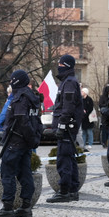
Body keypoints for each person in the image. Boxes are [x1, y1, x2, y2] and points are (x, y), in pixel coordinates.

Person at [0, 70, 41, 217]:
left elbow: (22, 120)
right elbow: (36, 121)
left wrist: (28, 137)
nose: (10, 82)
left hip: (16, 141)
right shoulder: (32, 97)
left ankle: (8, 206)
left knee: (7, 171)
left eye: (12, 80)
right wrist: (32, 139)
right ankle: (26, 206)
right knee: (24, 172)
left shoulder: (21, 97)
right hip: (24, 142)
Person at [46, 54, 83, 203]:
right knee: (69, 157)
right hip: (68, 125)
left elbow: (67, 108)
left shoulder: (69, 83)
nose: (58, 66)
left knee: (64, 159)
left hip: (67, 127)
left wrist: (61, 125)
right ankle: (73, 189)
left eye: (60, 64)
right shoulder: (68, 81)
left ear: (66, 66)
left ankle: (64, 191)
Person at [98, 84, 109, 148]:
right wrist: (106, 106)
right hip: (104, 116)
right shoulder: (102, 97)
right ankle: (104, 142)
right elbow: (101, 105)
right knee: (104, 130)